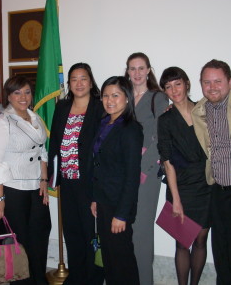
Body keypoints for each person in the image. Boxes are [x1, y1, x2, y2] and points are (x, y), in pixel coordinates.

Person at [0, 75, 51, 285]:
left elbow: (42, 150)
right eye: (17, 92)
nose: (23, 97)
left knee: (40, 236)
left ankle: (38, 279)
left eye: (27, 92)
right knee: (18, 242)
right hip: (12, 190)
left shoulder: (36, 118)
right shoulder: (1, 122)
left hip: (36, 188)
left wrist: (44, 179)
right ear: (9, 96)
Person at [48, 63, 104, 285]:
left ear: (90, 82)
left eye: (83, 78)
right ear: (69, 84)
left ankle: (93, 278)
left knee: (91, 233)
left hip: (89, 182)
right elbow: (54, 143)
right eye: (74, 79)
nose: (79, 83)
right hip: (67, 181)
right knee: (72, 233)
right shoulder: (62, 107)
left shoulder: (101, 107)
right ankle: (77, 277)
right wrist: (53, 179)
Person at [157, 67, 211, 285]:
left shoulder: (205, 110)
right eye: (168, 87)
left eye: (177, 84)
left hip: (206, 184)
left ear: (187, 84)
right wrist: (176, 199)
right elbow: (167, 162)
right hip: (180, 186)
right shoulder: (166, 120)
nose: (174, 90)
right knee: (182, 242)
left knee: (201, 240)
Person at [191, 60, 231, 285]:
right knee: (221, 250)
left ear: (230, 82)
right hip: (218, 191)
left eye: (218, 81)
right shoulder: (200, 109)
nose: (212, 87)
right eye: (206, 82)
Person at [91, 76, 144, 285]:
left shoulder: (130, 129)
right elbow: (100, 165)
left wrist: (121, 214)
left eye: (115, 95)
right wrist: (96, 198)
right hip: (104, 201)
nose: (109, 100)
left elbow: (132, 176)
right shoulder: (106, 123)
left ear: (127, 98)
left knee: (122, 262)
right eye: (105, 95)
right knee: (109, 259)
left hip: (118, 205)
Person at [124, 52, 169, 284]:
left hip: (146, 173)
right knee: (125, 231)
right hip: (123, 173)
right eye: (133, 68)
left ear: (149, 70)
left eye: (141, 68)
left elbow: (160, 138)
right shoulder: (122, 96)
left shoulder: (158, 98)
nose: (137, 73)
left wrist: (144, 167)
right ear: (127, 71)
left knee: (141, 232)